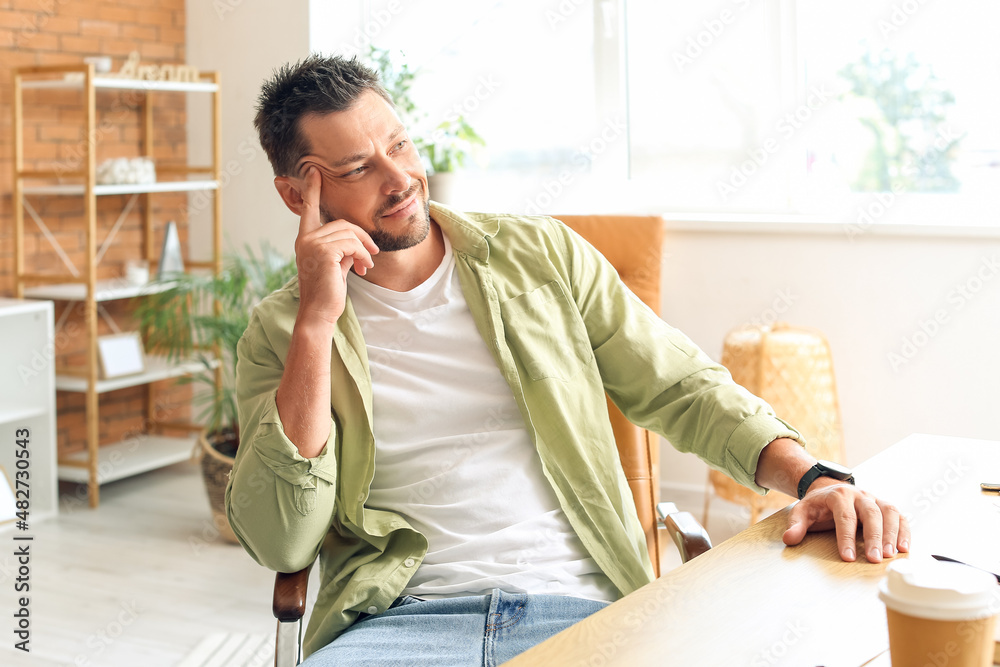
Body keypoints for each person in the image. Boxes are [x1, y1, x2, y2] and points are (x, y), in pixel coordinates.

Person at [225, 54, 909, 666]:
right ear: (298, 196)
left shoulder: (540, 257)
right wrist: (317, 321)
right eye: (358, 169)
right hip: (397, 626)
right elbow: (283, 540)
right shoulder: (279, 333)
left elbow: (682, 387)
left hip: (584, 613)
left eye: (399, 143)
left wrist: (814, 477)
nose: (401, 176)